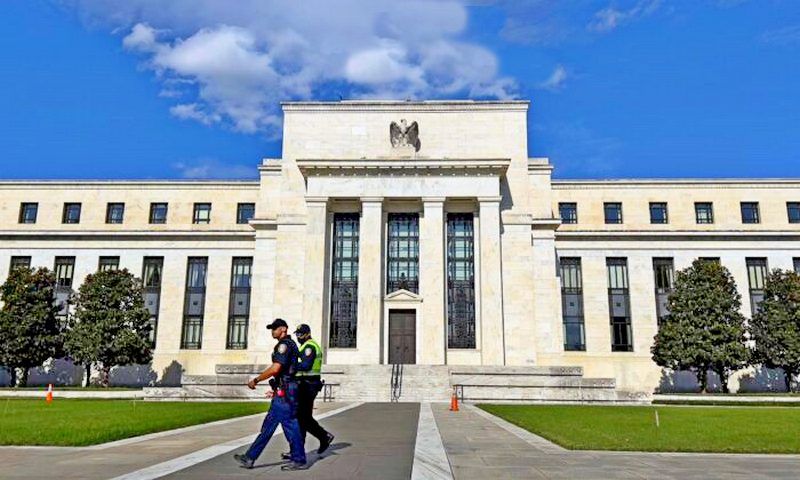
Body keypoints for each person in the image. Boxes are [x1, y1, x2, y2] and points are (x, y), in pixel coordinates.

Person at [233, 318, 308, 471]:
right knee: (268, 426)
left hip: (286, 393)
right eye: (272, 328)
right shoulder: (289, 344)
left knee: (290, 426)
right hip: (283, 390)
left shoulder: (284, 345)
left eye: (275, 328)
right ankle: (250, 457)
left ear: (283, 329)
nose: (272, 331)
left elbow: (275, 368)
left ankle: (299, 459)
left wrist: (256, 379)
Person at [282, 324, 334, 459]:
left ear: (307, 334)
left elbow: (306, 365)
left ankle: (323, 437)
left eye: (300, 334)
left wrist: (291, 365)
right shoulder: (305, 347)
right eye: (297, 334)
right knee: (302, 418)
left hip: (307, 385)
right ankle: (299, 449)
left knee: (301, 418)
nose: (298, 337)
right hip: (306, 385)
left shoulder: (309, 346)